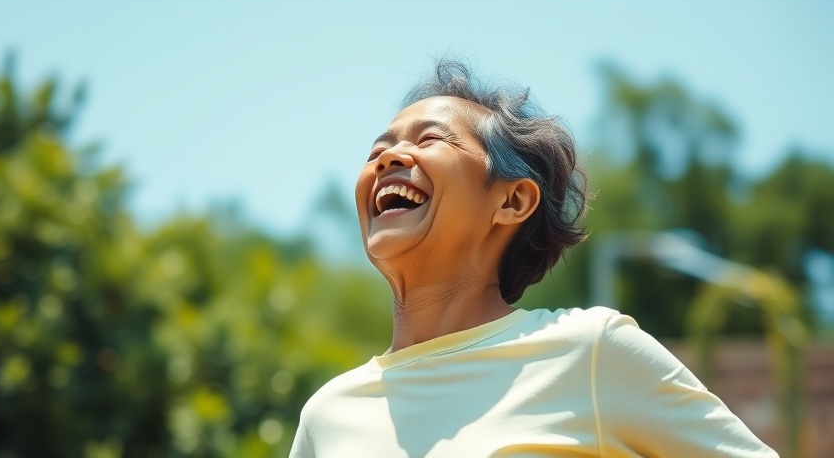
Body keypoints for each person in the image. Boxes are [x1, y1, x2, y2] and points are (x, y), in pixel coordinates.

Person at [289, 60, 776, 457]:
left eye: (430, 139)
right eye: (380, 147)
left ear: (513, 201)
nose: (389, 158)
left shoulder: (591, 353)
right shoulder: (327, 418)